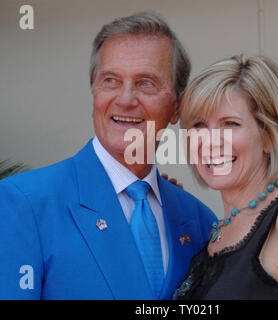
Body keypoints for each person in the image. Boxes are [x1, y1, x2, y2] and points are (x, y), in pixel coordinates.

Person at [0, 12, 216, 300]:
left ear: (177, 106)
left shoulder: (199, 220)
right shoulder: (25, 203)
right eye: (111, 80)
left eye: (146, 83)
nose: (125, 100)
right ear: (94, 93)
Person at [175, 54, 278, 299]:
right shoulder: (212, 233)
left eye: (230, 124)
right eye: (199, 125)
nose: (211, 142)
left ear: (268, 135)